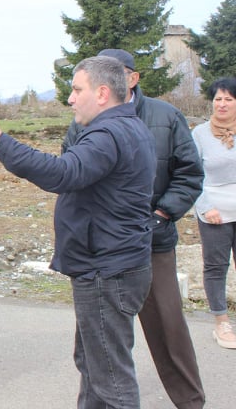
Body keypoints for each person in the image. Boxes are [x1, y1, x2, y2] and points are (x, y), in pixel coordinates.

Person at [0, 55, 155, 408]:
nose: (69, 98)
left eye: (76, 89)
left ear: (102, 93)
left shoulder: (109, 133)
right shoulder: (126, 127)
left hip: (106, 270)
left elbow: (62, 173)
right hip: (111, 265)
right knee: (94, 365)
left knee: (112, 379)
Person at [62, 49, 205, 408]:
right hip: (104, 251)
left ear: (132, 78)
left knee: (168, 330)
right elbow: (70, 168)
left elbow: (190, 174)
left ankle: (190, 402)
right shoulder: (83, 121)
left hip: (154, 242)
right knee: (99, 344)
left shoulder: (165, 116)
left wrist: (161, 215)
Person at [192, 77, 236, 350]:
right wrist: (206, 207)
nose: (222, 104)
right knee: (216, 267)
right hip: (215, 210)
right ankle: (221, 322)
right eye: (218, 99)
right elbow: (192, 174)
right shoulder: (199, 134)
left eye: (228, 99)